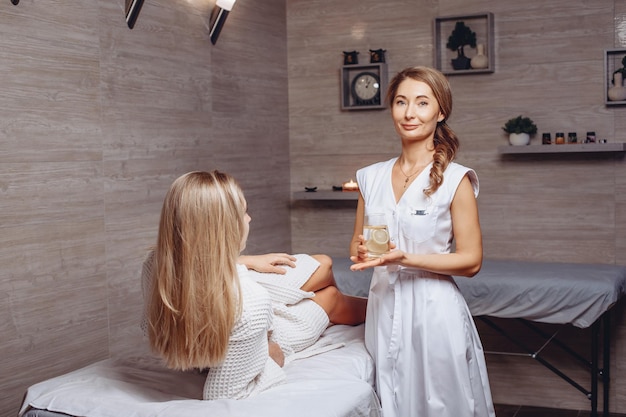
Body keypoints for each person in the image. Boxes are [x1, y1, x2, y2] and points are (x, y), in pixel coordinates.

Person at [143, 170, 367, 401]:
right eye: (243, 212)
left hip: (230, 303)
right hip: (265, 334)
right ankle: (378, 309)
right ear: (225, 227)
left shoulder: (155, 263)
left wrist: (245, 261)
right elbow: (222, 394)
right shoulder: (250, 301)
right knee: (330, 297)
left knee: (323, 264)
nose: (249, 219)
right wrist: (270, 356)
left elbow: (194, 266)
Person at [349, 66, 495, 417]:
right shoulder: (370, 177)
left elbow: (471, 261)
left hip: (434, 312)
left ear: (440, 111)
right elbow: (357, 243)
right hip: (383, 307)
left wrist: (405, 259)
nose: (409, 113)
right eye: (401, 102)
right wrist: (362, 250)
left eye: (421, 103)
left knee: (442, 405)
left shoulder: (455, 179)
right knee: (390, 401)